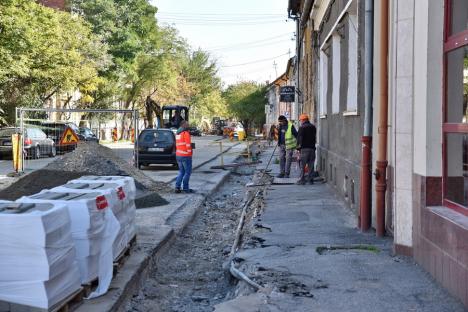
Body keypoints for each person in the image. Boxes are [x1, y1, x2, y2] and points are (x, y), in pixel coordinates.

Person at [296, 114, 317, 185]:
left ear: (303, 120)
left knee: (302, 165)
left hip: (304, 149)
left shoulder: (302, 128)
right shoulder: (313, 127)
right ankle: (310, 180)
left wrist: (298, 148)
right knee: (311, 165)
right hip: (312, 149)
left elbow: (299, 139)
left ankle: (302, 180)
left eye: (301, 120)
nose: (300, 121)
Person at [175, 120, 194, 193]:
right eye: (187, 124)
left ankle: (177, 187)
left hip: (178, 155)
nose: (188, 125)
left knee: (181, 172)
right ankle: (186, 188)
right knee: (187, 172)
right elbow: (188, 145)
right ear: (183, 125)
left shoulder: (178, 133)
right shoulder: (186, 133)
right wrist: (190, 154)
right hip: (186, 156)